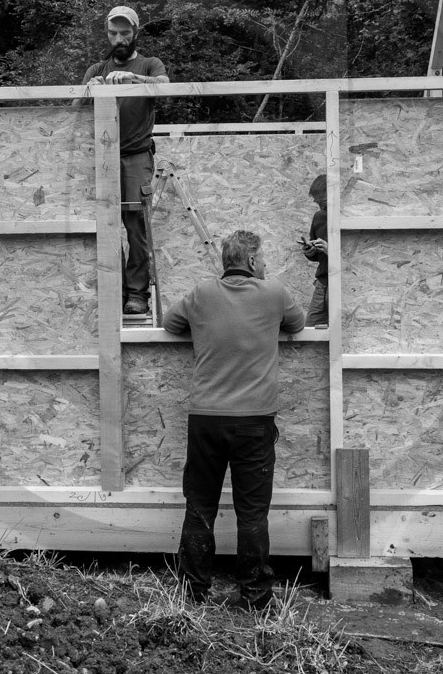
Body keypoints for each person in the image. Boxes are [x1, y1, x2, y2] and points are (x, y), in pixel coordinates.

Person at [163, 229, 306, 609]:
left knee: (199, 508)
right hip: (254, 423)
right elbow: (299, 324)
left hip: (206, 420)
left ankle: (192, 594)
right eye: (263, 260)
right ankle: (255, 597)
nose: (266, 265)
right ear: (253, 261)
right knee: (253, 513)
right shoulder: (274, 293)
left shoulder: (201, 294)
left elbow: (169, 324)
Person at [74, 5, 169, 315]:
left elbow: (166, 87)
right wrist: (89, 91)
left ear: (135, 33)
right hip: (100, 157)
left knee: (136, 226)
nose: (119, 38)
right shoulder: (95, 70)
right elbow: (73, 110)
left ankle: (138, 294)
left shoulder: (149, 64)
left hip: (136, 156)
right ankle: (113, 290)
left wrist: (132, 78)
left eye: (125, 32)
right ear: (107, 34)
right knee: (102, 225)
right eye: (113, 33)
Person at [300, 173, 329, 326]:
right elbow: (317, 255)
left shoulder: (344, 218)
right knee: (311, 326)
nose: (320, 207)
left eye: (323, 202)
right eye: (317, 203)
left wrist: (331, 250)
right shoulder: (319, 217)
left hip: (342, 281)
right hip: (323, 281)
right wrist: (309, 250)